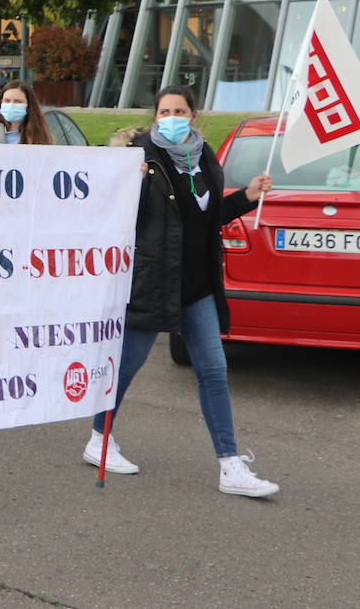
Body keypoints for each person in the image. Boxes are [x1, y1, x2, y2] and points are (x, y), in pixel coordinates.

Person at [85, 85, 280, 499]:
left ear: (194, 115)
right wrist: (128, 186)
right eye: (163, 111)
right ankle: (99, 438)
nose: (171, 118)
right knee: (126, 369)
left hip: (197, 285)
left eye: (179, 110)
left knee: (213, 370)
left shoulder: (205, 156)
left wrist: (246, 197)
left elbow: (206, 218)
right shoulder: (138, 158)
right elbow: (112, 216)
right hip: (152, 283)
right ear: (155, 116)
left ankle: (230, 465)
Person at [0, 81, 54, 145]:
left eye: (18, 101)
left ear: (29, 105)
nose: (11, 105)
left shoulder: (41, 136)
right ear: (1, 103)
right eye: (7, 101)